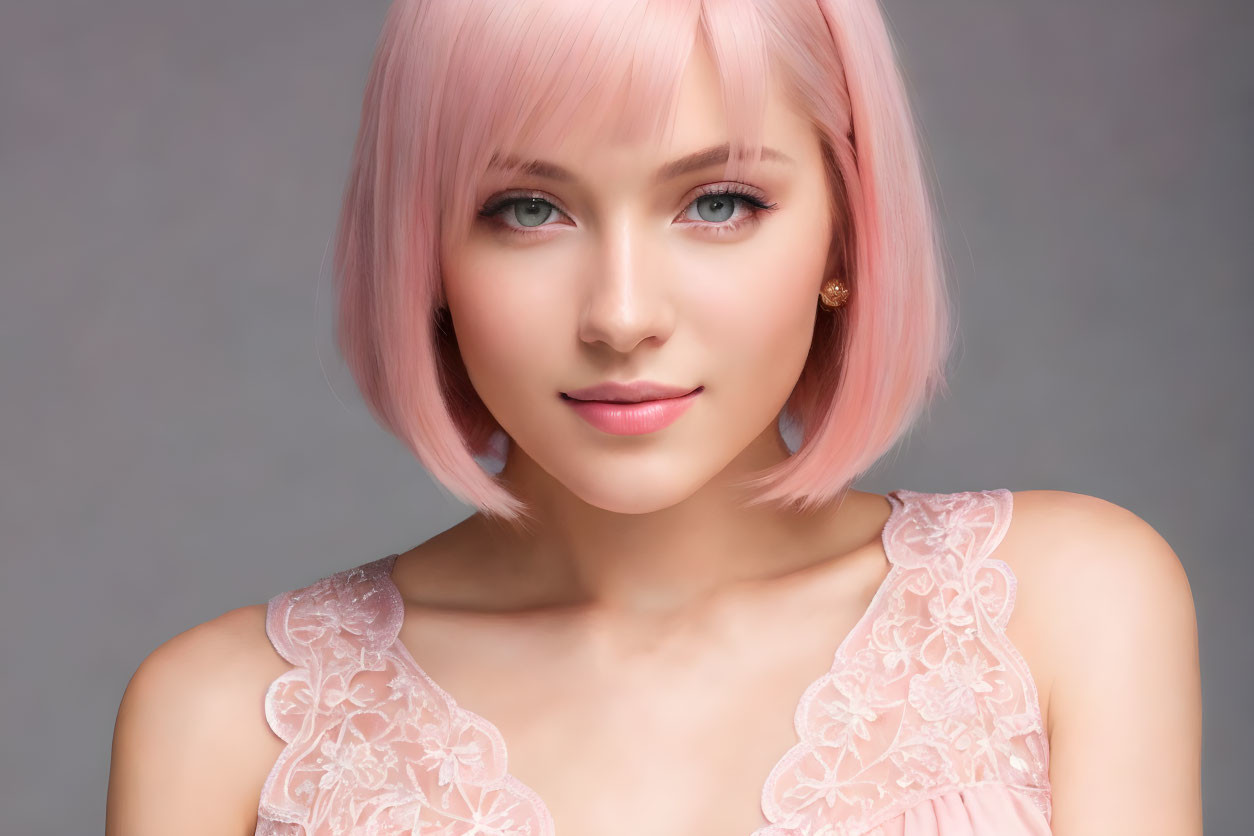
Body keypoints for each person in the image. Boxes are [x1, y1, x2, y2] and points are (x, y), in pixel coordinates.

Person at [106, 0, 1203, 833]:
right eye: (526, 209)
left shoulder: (1059, 610)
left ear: (845, 232)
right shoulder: (226, 725)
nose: (622, 315)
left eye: (719, 202)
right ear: (426, 254)